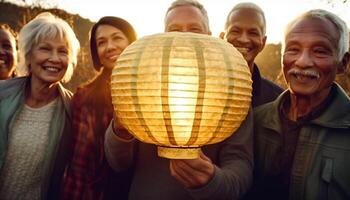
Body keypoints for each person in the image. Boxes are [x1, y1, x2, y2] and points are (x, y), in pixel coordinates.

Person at [104, 0, 254, 199]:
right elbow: (118, 164)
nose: (184, 37)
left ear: (209, 37)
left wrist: (211, 180)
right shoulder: (143, 86)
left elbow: (241, 171)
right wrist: (121, 130)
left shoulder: (231, 92)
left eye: (194, 29)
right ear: (164, 34)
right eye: (174, 29)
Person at [250, 9, 350, 200]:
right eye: (293, 49)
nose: (302, 62)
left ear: (342, 63)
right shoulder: (255, 121)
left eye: (320, 51)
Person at [0, 12, 80, 199]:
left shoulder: (74, 109)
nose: (54, 58)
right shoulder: (2, 94)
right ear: (28, 55)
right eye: (45, 49)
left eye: (62, 51)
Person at [62, 16, 137, 200]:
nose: (110, 46)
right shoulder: (85, 97)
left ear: (132, 42)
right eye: (101, 42)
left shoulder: (157, 88)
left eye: (117, 38)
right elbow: (80, 165)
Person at [220, 2, 283, 107]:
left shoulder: (277, 100)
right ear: (222, 37)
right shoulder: (197, 88)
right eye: (235, 31)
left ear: (263, 42)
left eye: (253, 33)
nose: (243, 39)